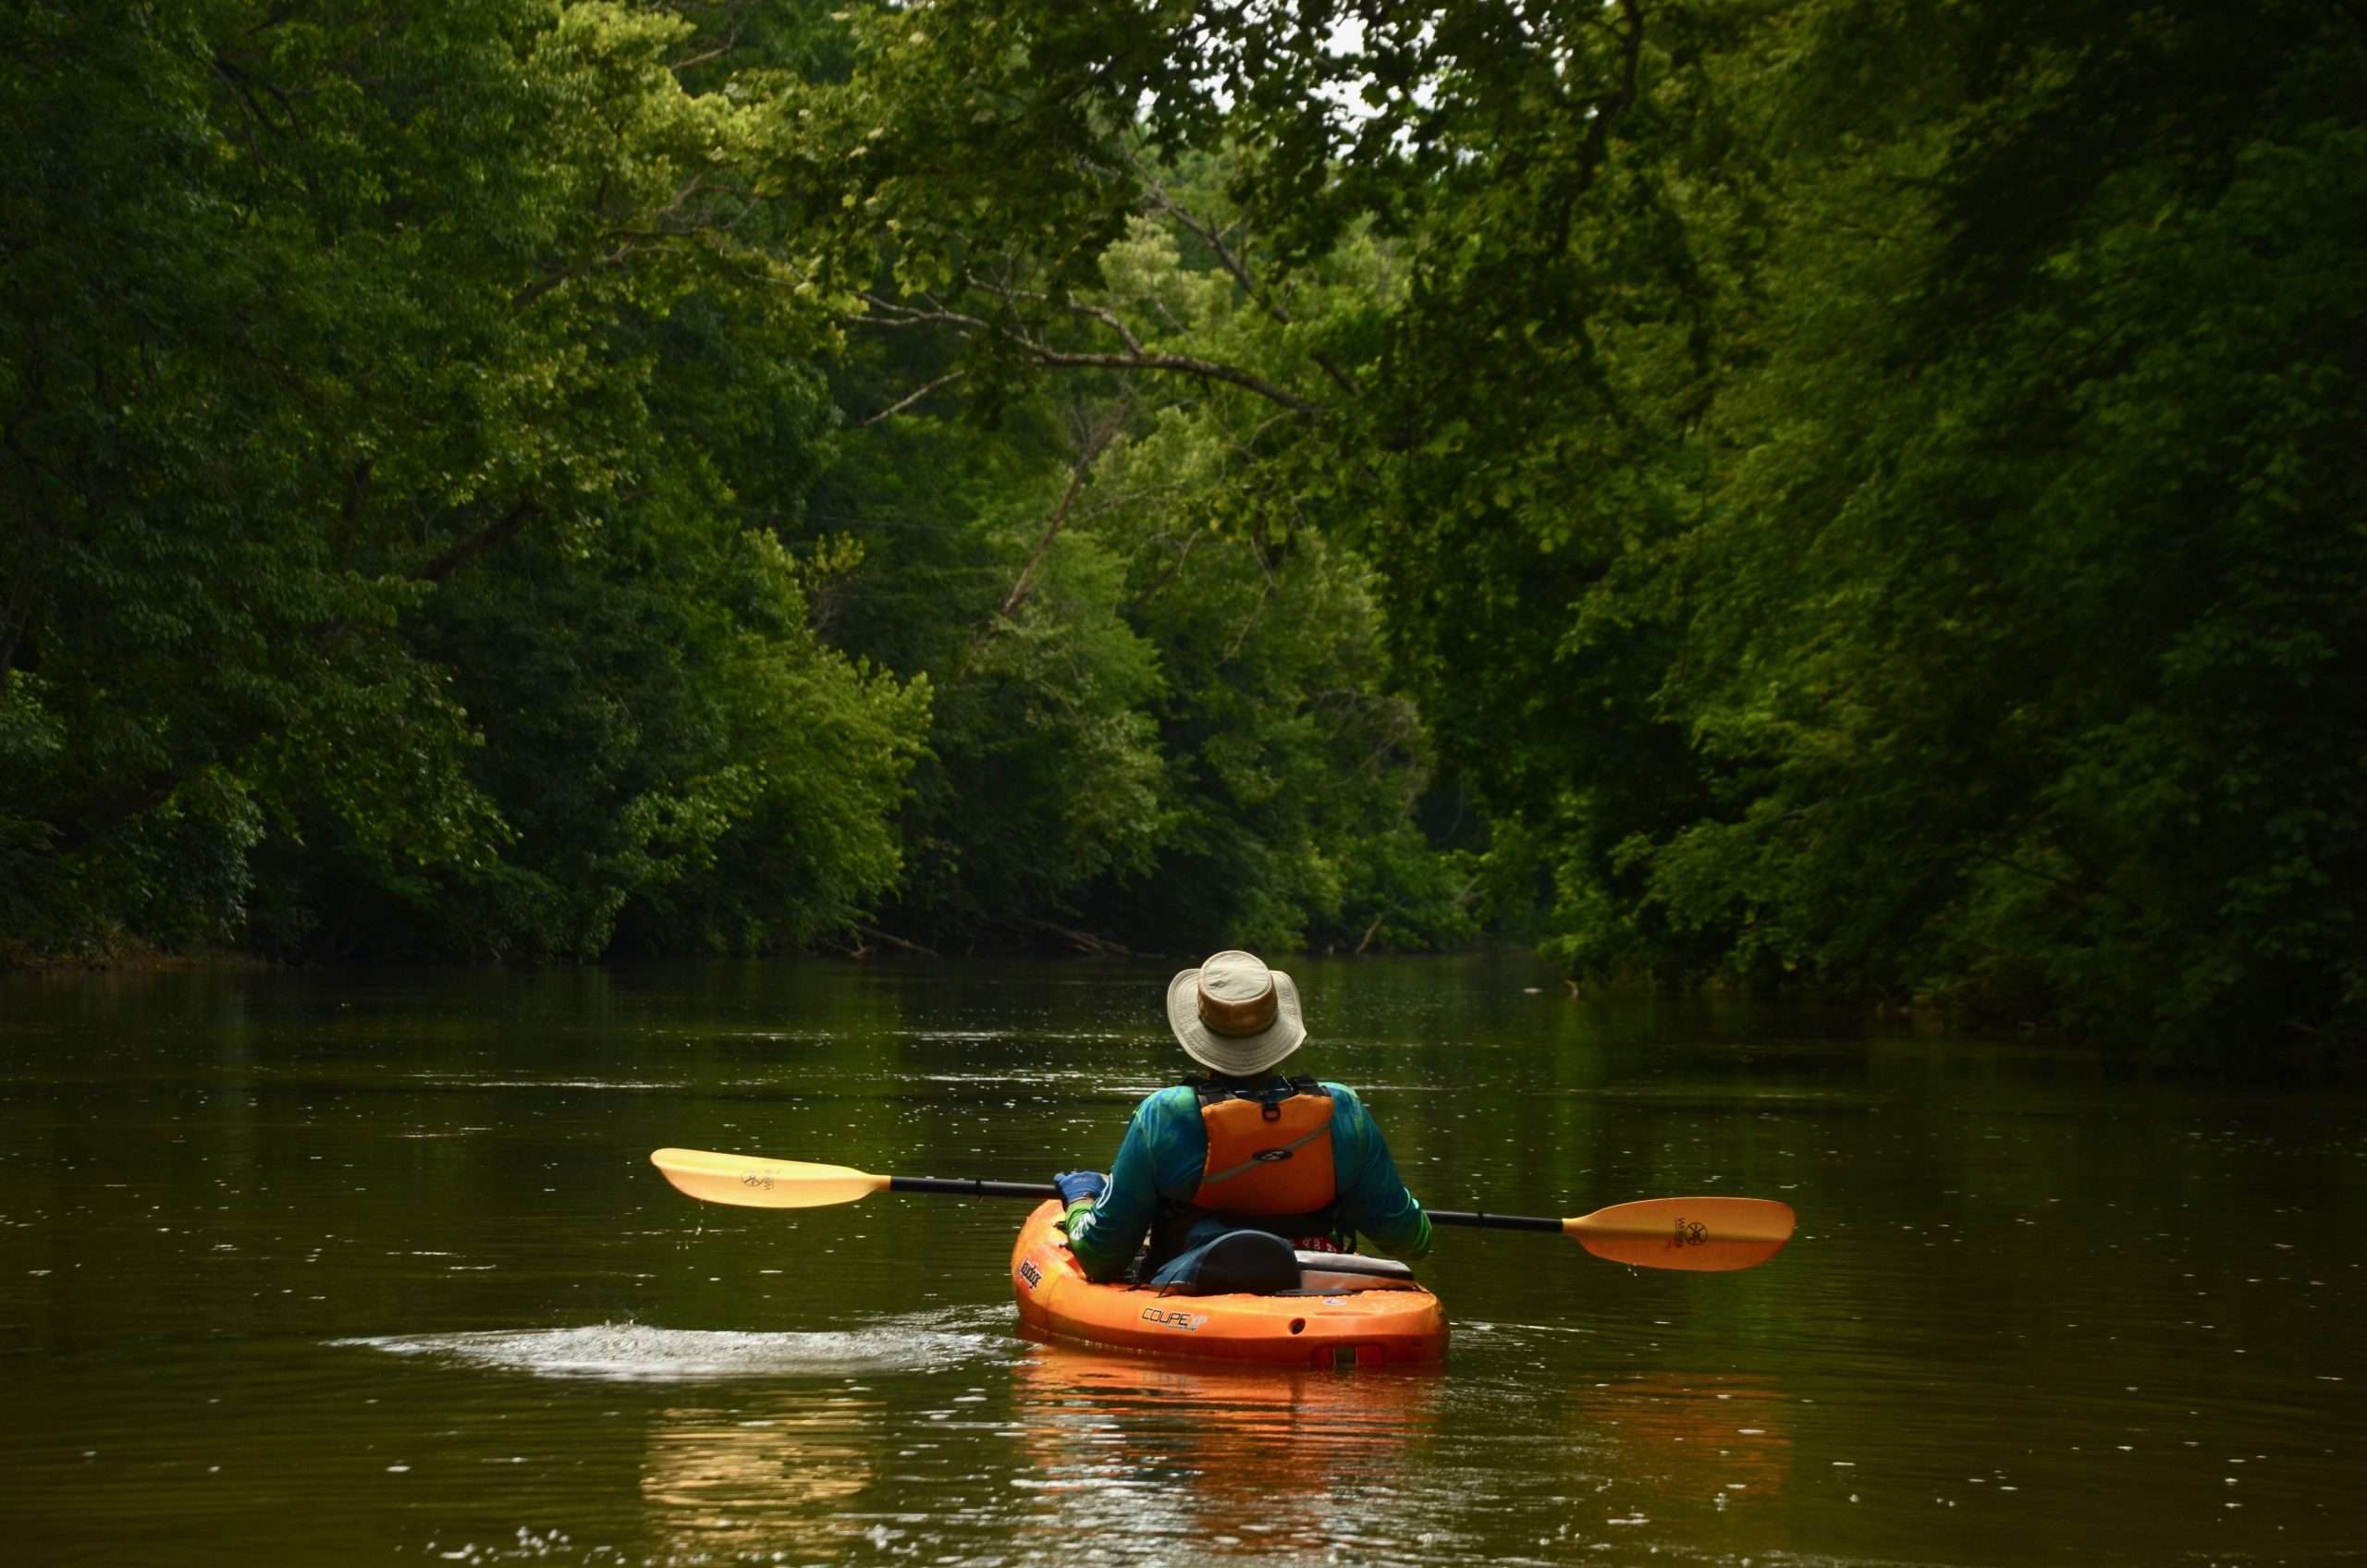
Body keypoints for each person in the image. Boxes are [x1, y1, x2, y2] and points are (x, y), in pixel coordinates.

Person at [1054, 950, 1432, 1291]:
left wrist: (1081, 1200)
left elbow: (1102, 1257)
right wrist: (1346, 1195)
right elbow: (1411, 1240)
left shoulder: (1164, 1116)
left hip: (1199, 1293)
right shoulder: (1343, 1110)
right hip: (1317, 1289)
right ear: (1279, 1028)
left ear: (1198, 1036)